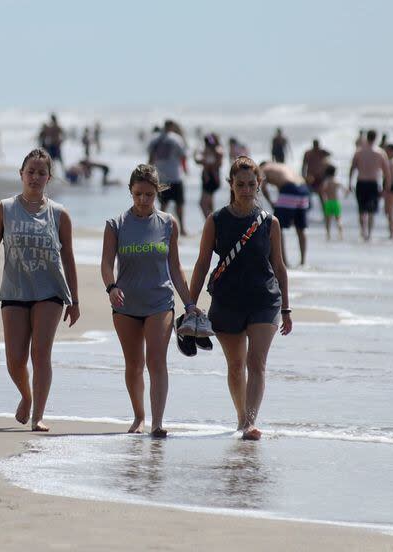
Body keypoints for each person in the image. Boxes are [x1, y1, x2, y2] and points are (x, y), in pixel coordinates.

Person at [0, 148, 79, 432]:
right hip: (14, 290)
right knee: (15, 359)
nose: (35, 177)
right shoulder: (4, 209)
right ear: (21, 174)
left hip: (50, 291)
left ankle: (38, 415)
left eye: (41, 173)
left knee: (40, 353)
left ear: (49, 177)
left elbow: (69, 258)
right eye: (31, 172)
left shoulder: (60, 214)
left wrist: (74, 300)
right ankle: (26, 395)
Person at [188, 156, 292, 441]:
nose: (246, 189)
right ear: (230, 185)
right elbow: (201, 264)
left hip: (264, 300)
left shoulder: (270, 223)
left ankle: (249, 422)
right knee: (235, 366)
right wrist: (190, 304)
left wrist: (286, 307)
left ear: (259, 184)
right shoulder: (216, 221)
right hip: (227, 301)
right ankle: (240, 418)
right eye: (240, 184)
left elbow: (279, 267)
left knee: (256, 362)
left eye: (251, 184)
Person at [101, 164, 201, 437]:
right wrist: (110, 287)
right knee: (133, 365)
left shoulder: (168, 223)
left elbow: (176, 267)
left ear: (157, 192)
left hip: (160, 302)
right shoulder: (116, 224)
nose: (143, 200)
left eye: (148, 194)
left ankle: (158, 422)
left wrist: (189, 303)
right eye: (138, 194)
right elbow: (107, 263)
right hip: (125, 305)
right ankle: (139, 417)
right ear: (130, 192)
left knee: (156, 362)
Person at [260, 162, 310, 266]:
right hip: (304, 189)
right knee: (300, 228)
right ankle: (303, 262)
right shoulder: (282, 166)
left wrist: (270, 202)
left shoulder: (264, 168)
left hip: (289, 189)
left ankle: (283, 262)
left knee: (276, 228)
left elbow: (263, 187)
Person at [349, 130, 391, 241]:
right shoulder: (380, 152)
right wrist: (387, 188)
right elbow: (386, 172)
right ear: (376, 137)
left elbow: (352, 168)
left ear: (367, 137)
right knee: (371, 210)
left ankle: (363, 231)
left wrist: (349, 182)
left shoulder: (359, 151)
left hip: (361, 182)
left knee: (361, 210)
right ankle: (370, 234)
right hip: (373, 183)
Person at [148, 120, 188, 235]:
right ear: (171, 127)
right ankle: (183, 229)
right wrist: (185, 170)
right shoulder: (176, 139)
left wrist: (148, 173)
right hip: (175, 176)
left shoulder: (155, 140)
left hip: (162, 177)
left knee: (163, 204)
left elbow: (150, 159)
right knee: (179, 204)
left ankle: (159, 228)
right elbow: (183, 156)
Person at [194, 133, 223, 218]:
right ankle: (213, 225)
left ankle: (211, 223)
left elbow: (215, 163)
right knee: (210, 204)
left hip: (210, 178)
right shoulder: (211, 150)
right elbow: (199, 161)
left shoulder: (216, 150)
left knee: (202, 203)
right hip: (210, 178)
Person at [301, 139, 331, 213]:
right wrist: (303, 176)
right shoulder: (308, 153)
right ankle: (305, 212)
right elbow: (304, 165)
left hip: (320, 177)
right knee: (308, 195)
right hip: (310, 177)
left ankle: (326, 214)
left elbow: (329, 154)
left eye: (317, 145)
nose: (316, 147)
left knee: (321, 195)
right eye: (315, 145)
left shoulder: (321, 152)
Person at [320, 165, 345, 240]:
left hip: (328, 202)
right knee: (339, 219)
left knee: (328, 220)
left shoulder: (326, 182)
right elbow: (344, 189)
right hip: (336, 202)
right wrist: (346, 194)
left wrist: (324, 199)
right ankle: (341, 234)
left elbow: (322, 191)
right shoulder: (336, 181)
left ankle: (328, 234)